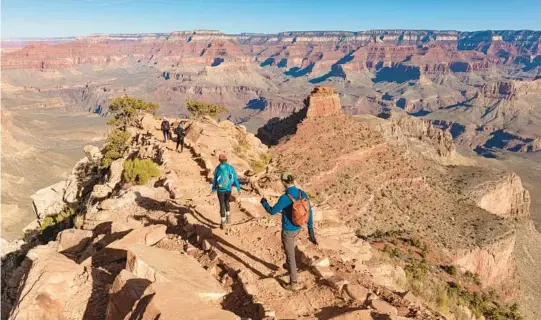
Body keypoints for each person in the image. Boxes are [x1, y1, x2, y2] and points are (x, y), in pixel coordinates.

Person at [260, 172, 317, 291]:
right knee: (289, 250)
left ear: (283, 182)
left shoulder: (285, 197)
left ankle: (293, 283)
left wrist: (264, 202)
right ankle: (288, 266)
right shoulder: (302, 193)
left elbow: (272, 211)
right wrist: (310, 229)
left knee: (290, 254)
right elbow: (309, 211)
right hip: (299, 227)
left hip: (288, 230)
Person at [211, 154, 241, 229]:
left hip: (220, 189)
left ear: (219, 160)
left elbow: (215, 180)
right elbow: (235, 179)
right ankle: (228, 217)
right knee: (227, 201)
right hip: (228, 189)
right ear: (226, 160)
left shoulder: (217, 168)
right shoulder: (230, 168)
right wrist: (238, 188)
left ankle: (223, 222)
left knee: (222, 204)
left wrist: (213, 189)